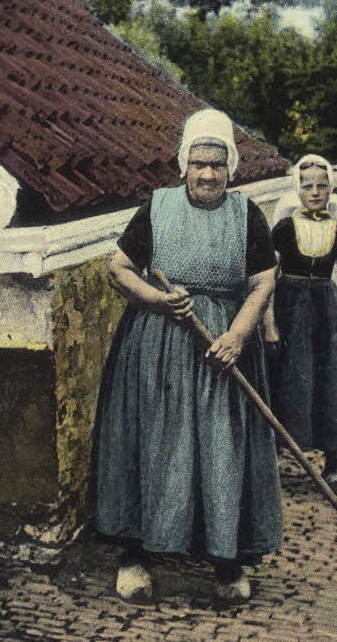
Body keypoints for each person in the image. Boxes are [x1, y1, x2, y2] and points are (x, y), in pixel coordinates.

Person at [92, 108, 282, 605]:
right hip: (156, 347)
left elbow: (263, 278)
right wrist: (154, 300)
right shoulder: (156, 207)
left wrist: (239, 335)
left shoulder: (247, 214)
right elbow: (121, 267)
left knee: (223, 449)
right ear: (183, 163)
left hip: (222, 350)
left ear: (231, 166)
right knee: (150, 445)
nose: (207, 174)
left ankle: (227, 562)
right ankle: (136, 558)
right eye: (198, 163)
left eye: (217, 164)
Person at [263, 154, 337, 495]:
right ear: (297, 190)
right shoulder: (285, 229)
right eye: (307, 186)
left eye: (322, 185)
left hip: (326, 311)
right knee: (288, 377)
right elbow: (268, 279)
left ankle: (333, 463)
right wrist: (270, 323)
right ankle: (275, 459)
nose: (315, 192)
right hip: (290, 309)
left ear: (331, 188)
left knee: (332, 378)